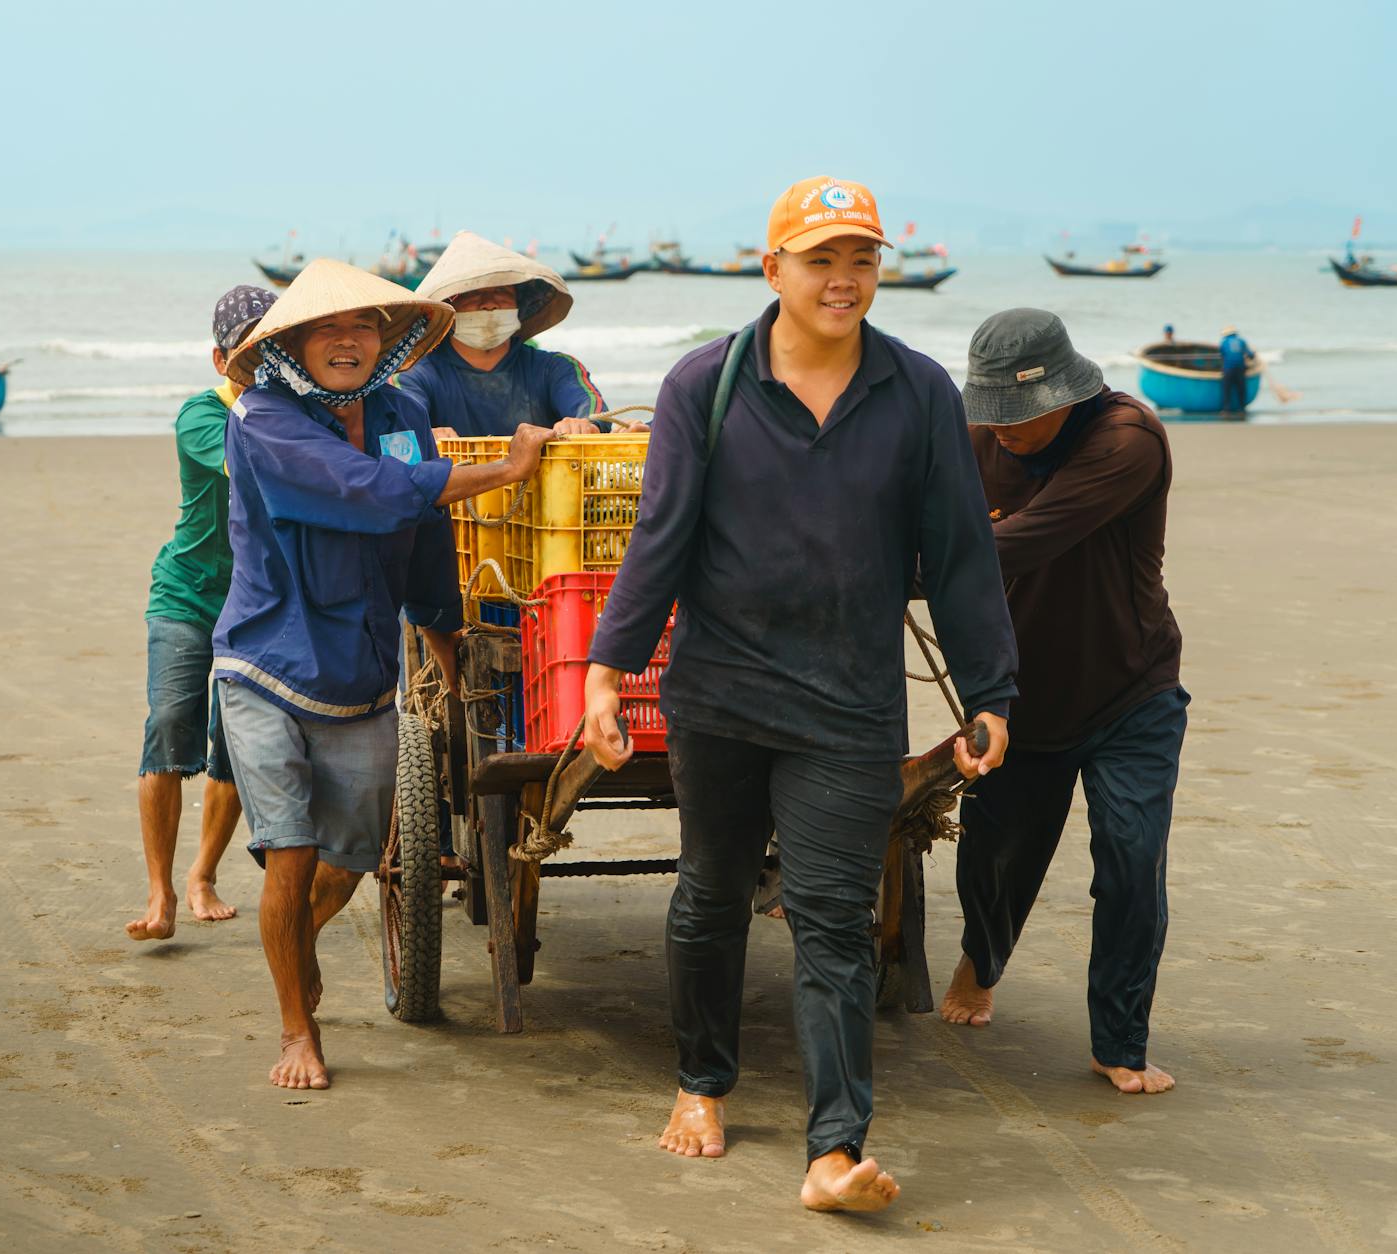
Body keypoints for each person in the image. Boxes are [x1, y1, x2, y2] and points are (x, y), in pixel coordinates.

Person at [580, 177, 1017, 1213]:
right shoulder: (707, 385)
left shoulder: (915, 394)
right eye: (819, 259)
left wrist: (988, 692)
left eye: (859, 259)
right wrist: (608, 668)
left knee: (831, 919)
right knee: (711, 895)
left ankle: (832, 1152)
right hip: (720, 695)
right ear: (769, 268)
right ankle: (700, 1080)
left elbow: (958, 559)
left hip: (848, 705)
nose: (842, 279)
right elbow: (662, 536)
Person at [212, 260, 559, 1089]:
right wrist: (505, 470)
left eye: (363, 326)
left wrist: (447, 645)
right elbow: (366, 492)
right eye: (326, 328)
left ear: (387, 338)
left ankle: (296, 948)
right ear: (290, 342)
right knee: (290, 855)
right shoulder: (265, 420)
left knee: (352, 861)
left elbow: (422, 532)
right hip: (265, 665)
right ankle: (298, 1029)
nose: (347, 340)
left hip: (363, 677)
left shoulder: (405, 413)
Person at [944, 308, 1187, 1099]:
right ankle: (981, 961)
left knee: (1130, 858)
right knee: (993, 856)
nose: (1004, 431)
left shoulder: (1126, 440)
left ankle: (1120, 1041)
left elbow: (1023, 540)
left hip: (1131, 689)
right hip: (1020, 691)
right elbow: (923, 513)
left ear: (1065, 392)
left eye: (1020, 414)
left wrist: (924, 558)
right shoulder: (980, 437)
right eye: (993, 413)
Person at [127, 285, 276, 943]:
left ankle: (203, 874)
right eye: (247, 349)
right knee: (169, 724)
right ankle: (160, 892)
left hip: (255, 604)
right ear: (220, 358)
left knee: (235, 744)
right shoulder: (200, 415)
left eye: (272, 344)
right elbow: (245, 468)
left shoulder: (296, 413)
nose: (260, 359)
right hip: (187, 595)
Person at [402, 231, 625, 442]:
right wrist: (425, 434)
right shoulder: (415, 374)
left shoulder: (554, 368)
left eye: (501, 292)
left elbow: (593, 412)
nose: (489, 303)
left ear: (520, 304)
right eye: (473, 293)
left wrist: (583, 424)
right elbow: (400, 423)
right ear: (448, 307)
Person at [1218, 324, 1250, 414]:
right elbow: (1249, 354)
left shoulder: (1224, 342)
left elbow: (1222, 355)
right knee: (1241, 388)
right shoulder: (1242, 341)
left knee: (1226, 389)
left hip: (1228, 369)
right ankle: (1242, 409)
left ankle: (1226, 409)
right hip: (1240, 368)